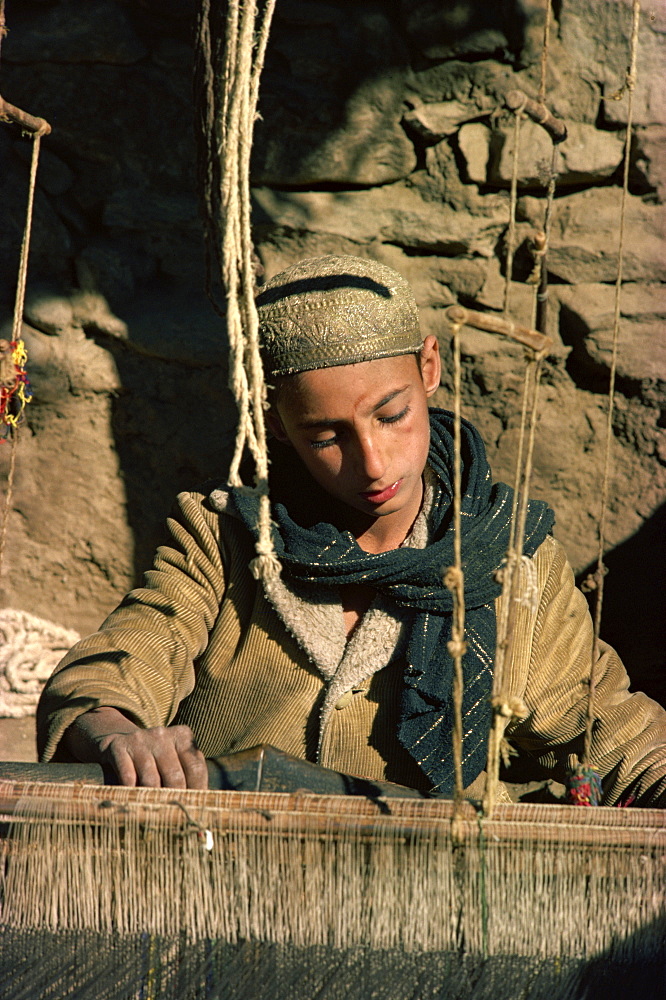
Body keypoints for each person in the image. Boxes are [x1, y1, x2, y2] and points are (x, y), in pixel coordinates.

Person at [36, 255, 666, 805]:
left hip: (430, 900)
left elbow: (609, 729)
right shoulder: (225, 541)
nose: (372, 463)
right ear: (277, 424)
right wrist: (116, 730)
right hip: (223, 882)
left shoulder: (508, 564)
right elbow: (115, 667)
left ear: (428, 367)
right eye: (326, 435)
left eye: (391, 416)